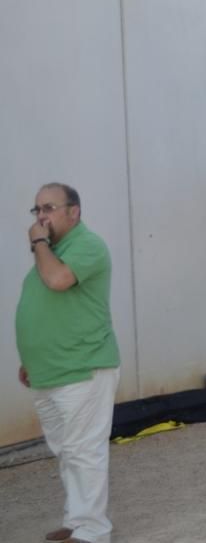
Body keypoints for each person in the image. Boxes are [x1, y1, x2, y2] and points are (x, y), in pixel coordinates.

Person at [16, 183, 120, 543]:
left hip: (83, 366)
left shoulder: (87, 246)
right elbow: (47, 305)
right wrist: (32, 358)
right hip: (51, 370)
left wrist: (38, 242)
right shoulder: (54, 251)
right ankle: (78, 520)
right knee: (66, 451)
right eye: (37, 210)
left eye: (48, 208)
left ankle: (94, 531)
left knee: (84, 450)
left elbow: (58, 281)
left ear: (73, 212)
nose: (41, 216)